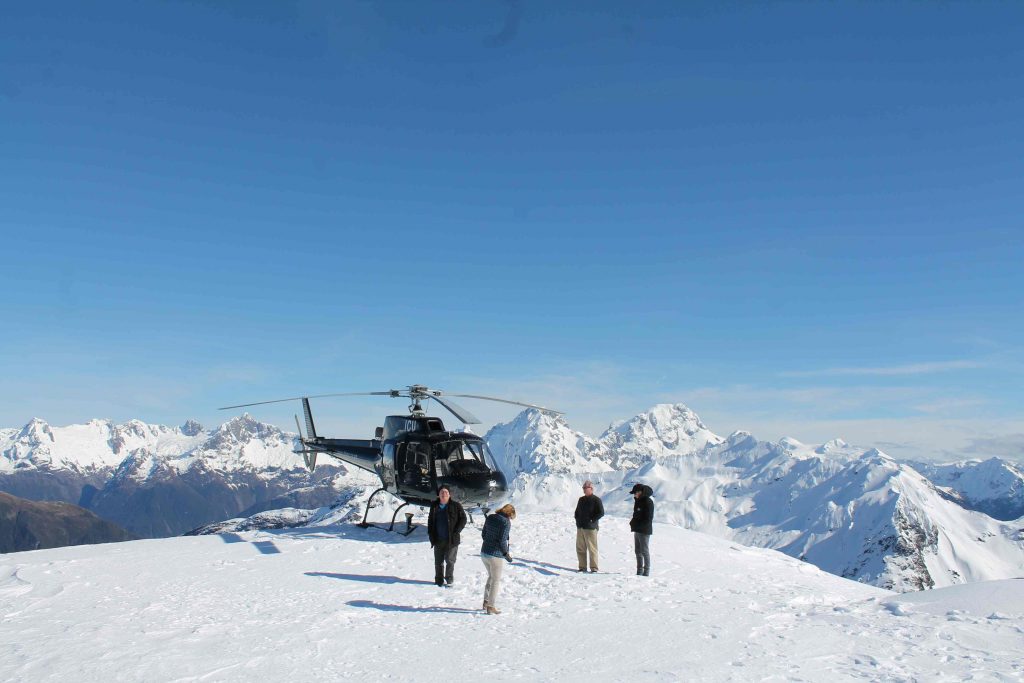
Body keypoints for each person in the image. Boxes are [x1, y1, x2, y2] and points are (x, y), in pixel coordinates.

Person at [427, 485, 467, 587]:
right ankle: (439, 580)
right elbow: (430, 521)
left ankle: (449, 579)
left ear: (449, 495)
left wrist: (457, 531)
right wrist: (430, 533)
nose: (444, 494)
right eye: (442, 492)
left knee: (450, 560)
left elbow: (463, 519)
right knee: (438, 561)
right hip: (438, 539)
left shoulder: (456, 506)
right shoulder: (434, 506)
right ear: (438, 494)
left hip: (452, 539)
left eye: (446, 492)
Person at [480, 503, 516, 615]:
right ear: (510, 514)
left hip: (484, 552)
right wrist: (506, 554)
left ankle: (485, 602)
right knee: (495, 581)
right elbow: (502, 541)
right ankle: (490, 607)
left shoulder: (490, 517)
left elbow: (483, 534)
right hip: (495, 556)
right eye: (511, 517)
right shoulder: (505, 522)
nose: (511, 519)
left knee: (491, 577)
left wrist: (489, 542)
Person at [574, 479, 604, 572]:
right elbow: (577, 511)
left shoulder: (596, 500)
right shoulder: (581, 499)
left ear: (591, 489)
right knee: (580, 548)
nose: (584, 489)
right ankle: (582, 567)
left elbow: (601, 512)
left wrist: (592, 520)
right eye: (583, 488)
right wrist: (577, 520)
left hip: (590, 528)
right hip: (581, 527)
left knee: (592, 548)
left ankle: (594, 568)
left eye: (585, 488)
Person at [629, 483, 654, 576]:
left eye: (635, 493)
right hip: (637, 529)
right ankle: (639, 570)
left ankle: (646, 571)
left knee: (644, 550)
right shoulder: (638, 501)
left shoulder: (648, 502)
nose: (634, 495)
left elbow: (648, 518)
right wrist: (633, 522)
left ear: (639, 492)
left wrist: (638, 525)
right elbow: (636, 514)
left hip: (644, 530)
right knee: (637, 550)